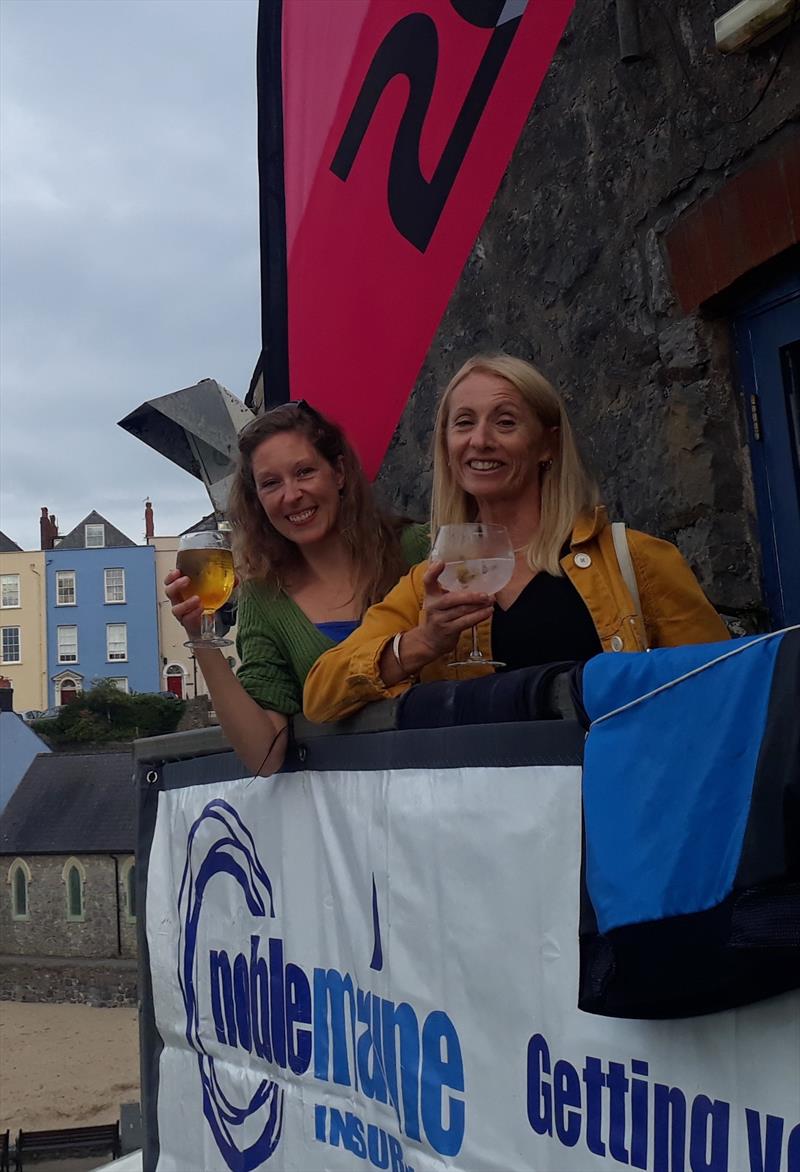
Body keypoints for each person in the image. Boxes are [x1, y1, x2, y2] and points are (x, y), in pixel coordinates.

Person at [303, 353, 730, 723]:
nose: (480, 440)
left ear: (548, 445)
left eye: (505, 422)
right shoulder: (428, 586)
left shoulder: (632, 559)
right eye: (464, 423)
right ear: (448, 449)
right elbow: (320, 695)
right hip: (500, 811)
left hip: (615, 800)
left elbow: (721, 690)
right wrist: (421, 642)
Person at [165, 401, 428, 774]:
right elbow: (264, 755)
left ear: (338, 473)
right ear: (257, 500)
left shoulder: (417, 549)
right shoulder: (265, 598)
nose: (291, 495)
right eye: (271, 483)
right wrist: (201, 637)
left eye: (304, 472)